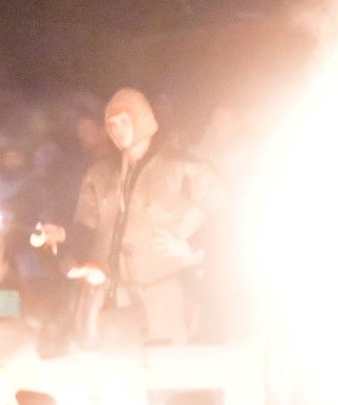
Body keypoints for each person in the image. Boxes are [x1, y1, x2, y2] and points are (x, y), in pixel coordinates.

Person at [41, 87, 218, 345]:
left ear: (142, 120)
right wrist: (63, 236)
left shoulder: (182, 169)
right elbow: (87, 227)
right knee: (115, 366)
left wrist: (191, 248)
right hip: (113, 290)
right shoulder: (100, 175)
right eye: (112, 124)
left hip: (161, 287)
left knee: (165, 365)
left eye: (125, 121)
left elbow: (221, 213)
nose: (118, 129)